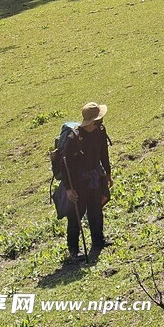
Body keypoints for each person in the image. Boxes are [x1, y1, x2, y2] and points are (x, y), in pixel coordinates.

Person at [63, 101, 113, 260]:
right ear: (92, 121)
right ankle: (73, 250)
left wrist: (108, 174)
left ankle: (98, 241)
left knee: (96, 209)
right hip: (78, 182)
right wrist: (68, 188)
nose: (101, 120)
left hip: (96, 177)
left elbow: (104, 153)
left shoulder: (100, 131)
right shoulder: (74, 138)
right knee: (76, 215)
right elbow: (66, 165)